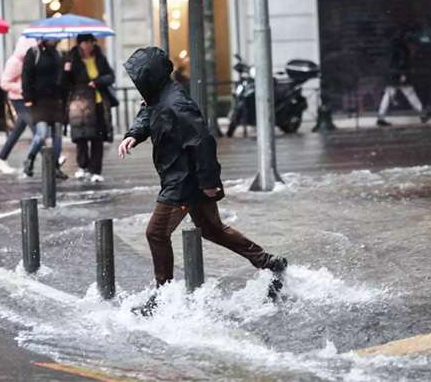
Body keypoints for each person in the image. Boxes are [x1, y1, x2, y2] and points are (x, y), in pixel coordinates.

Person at [118, 47, 288, 315]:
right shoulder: (159, 97)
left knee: (156, 233)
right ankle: (268, 262)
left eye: (138, 77)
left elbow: (202, 142)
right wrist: (134, 135)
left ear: (150, 76)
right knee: (213, 229)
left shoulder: (177, 103)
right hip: (185, 178)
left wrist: (210, 182)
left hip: (183, 182)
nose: (136, 83)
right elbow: (148, 113)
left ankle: (163, 297)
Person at [62, 34, 116, 183]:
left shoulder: (99, 58)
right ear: (80, 44)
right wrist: (66, 70)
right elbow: (64, 83)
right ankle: (83, 166)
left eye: (91, 42)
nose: (89, 45)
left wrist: (97, 81)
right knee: (81, 136)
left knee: (97, 137)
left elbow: (110, 76)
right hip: (79, 103)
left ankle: (95, 170)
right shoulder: (71, 59)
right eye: (86, 42)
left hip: (98, 101)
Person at [21, 38, 68, 179]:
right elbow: (26, 76)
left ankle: (55, 167)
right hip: (39, 100)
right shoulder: (34, 53)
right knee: (41, 134)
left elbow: (63, 79)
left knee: (58, 135)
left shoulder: (59, 54)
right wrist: (28, 97)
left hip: (56, 100)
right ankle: (29, 159)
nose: (53, 39)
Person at [0, 37, 38, 174]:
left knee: (18, 130)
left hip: (25, 97)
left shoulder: (28, 61)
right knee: (36, 128)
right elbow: (4, 83)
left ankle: (0, 159)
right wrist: (22, 88)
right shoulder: (14, 62)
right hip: (18, 99)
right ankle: (53, 160)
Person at [376, 28, 431, 126]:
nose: (415, 48)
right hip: (399, 75)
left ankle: (381, 117)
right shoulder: (403, 49)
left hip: (393, 75)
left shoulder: (394, 46)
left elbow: (392, 62)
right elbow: (402, 63)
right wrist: (402, 74)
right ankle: (423, 114)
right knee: (410, 94)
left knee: (389, 95)